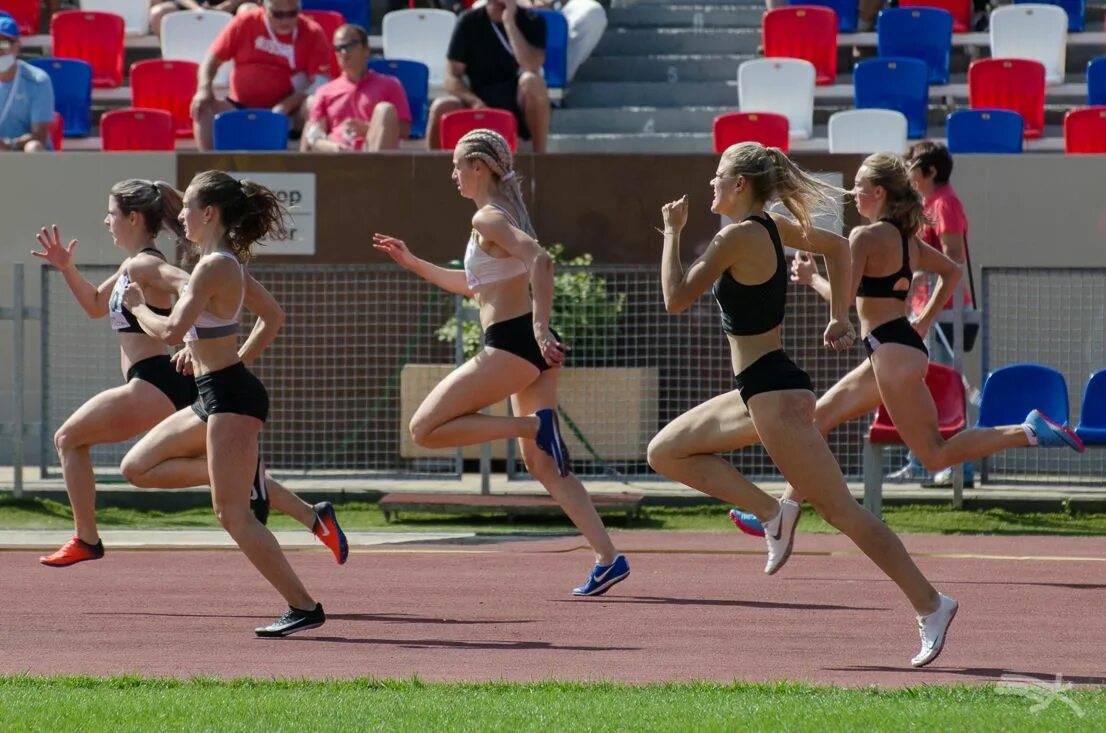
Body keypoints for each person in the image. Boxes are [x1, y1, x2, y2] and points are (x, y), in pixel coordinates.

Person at [647, 142, 958, 667]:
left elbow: (674, 298)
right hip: (761, 388)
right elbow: (839, 248)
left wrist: (673, 232)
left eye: (719, 177)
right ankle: (771, 513)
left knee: (842, 512)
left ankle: (932, 604)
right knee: (665, 451)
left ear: (740, 184)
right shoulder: (772, 228)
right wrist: (838, 314)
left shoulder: (736, 237)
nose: (711, 186)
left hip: (774, 395)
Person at [728, 154, 1084, 537]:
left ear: (878, 192)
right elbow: (952, 270)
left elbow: (844, 300)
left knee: (934, 453)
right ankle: (783, 513)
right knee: (818, 419)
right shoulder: (905, 240)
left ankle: (1027, 430)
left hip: (892, 355)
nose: (853, 192)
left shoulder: (865, 237)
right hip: (895, 348)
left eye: (859, 186)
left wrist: (812, 278)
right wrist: (925, 320)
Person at [34, 180, 347, 569]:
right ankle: (313, 516)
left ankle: (86, 538)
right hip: (166, 380)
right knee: (221, 469)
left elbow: (190, 284)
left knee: (68, 438)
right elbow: (96, 305)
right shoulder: (130, 266)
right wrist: (67, 268)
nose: (106, 222)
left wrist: (190, 334)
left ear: (133, 218)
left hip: (153, 380)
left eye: (111, 214)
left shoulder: (146, 264)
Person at [373, 128, 629, 596]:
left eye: (457, 166)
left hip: (512, 344)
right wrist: (413, 263)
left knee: (423, 429)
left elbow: (543, 262)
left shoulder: (489, 219)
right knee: (544, 467)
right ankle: (608, 557)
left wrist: (539, 326)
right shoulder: (498, 218)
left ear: (479, 167)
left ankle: (532, 427)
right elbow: (473, 286)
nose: (452, 175)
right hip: (524, 347)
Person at [121, 171, 326, 636]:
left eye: (188, 208)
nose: (181, 217)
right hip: (216, 393)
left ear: (209, 213)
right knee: (137, 466)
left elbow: (170, 329)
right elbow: (272, 317)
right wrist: (218, 357)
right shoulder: (221, 263)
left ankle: (303, 606)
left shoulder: (215, 266)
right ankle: (249, 476)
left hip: (231, 398)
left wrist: (137, 308)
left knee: (230, 514)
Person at [190, 0, 332, 151]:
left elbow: (321, 82)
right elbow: (211, 60)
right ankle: (208, 167)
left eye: (292, 14)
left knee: (314, 103)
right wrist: (204, 89)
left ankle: (307, 166)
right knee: (202, 105)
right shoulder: (245, 22)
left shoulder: (312, 32)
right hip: (238, 108)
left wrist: (287, 104)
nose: (285, 21)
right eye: (278, 14)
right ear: (264, 8)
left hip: (289, 113)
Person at [428, 0, 550, 153]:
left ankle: (541, 159)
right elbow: (451, 77)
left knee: (533, 82)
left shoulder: (533, 20)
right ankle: (431, 169)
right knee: (441, 106)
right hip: (478, 97)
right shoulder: (469, 21)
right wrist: (475, 102)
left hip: (517, 101)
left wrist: (509, 23)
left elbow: (531, 65)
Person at [302, 24, 410, 152]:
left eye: (350, 46)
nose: (343, 52)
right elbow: (314, 136)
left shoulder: (390, 85)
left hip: (374, 154)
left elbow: (404, 130)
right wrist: (334, 148)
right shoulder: (325, 91)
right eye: (338, 48)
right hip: (337, 155)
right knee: (310, 104)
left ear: (366, 50)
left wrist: (367, 129)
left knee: (385, 110)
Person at [0, 15, 55, 153]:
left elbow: (39, 135)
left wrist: (9, 145)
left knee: (34, 147)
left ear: (17, 45)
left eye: (4, 43)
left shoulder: (38, 80)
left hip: (22, 151)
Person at [149, 0, 251, 39]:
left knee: (249, 11)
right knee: (158, 13)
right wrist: (197, 9)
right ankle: (172, 58)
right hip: (194, 6)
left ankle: (245, 60)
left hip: (231, 6)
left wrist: (223, 7)